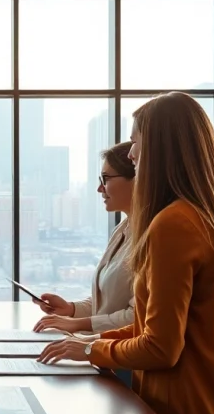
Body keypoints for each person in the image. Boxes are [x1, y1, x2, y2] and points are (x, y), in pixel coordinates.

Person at [37, 92, 214, 414]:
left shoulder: (173, 225)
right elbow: (152, 325)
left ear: (161, 149)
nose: (132, 153)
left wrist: (89, 349)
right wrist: (89, 341)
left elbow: (160, 347)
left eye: (137, 140)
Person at [31, 141, 136, 335]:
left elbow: (137, 317)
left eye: (106, 179)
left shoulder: (154, 237)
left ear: (137, 178)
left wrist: (78, 324)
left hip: (115, 351)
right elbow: (107, 304)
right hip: (99, 346)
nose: (100, 188)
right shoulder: (123, 229)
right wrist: (71, 309)